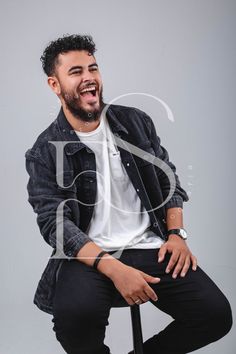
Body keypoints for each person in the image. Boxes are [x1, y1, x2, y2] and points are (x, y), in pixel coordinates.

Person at [25, 34, 232, 354]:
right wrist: (115, 269)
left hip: (151, 246)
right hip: (89, 256)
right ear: (55, 85)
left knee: (214, 315)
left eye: (93, 68)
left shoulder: (135, 122)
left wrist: (176, 234)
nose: (89, 77)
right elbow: (57, 227)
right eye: (76, 71)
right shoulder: (44, 151)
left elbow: (169, 181)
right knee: (74, 319)